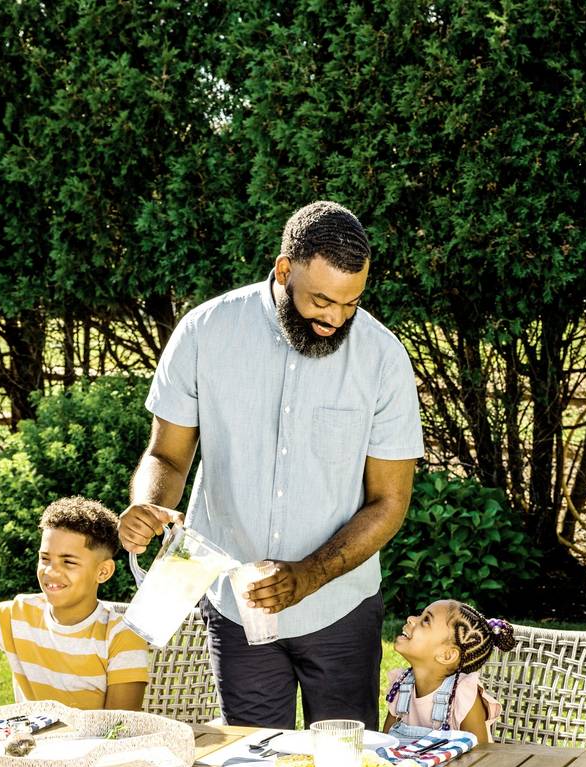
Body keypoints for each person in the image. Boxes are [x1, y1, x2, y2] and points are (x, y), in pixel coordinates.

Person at [121, 200, 423, 728]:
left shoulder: (383, 358)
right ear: (284, 270)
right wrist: (149, 507)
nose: (336, 318)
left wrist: (309, 575)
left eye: (351, 303)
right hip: (240, 611)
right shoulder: (204, 332)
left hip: (341, 608)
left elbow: (389, 501)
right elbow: (166, 455)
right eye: (322, 300)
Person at [0, 498, 152, 712]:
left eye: (68, 562)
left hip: (94, 758)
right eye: (45, 558)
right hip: (28, 754)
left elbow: (120, 726)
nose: (50, 571)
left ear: (103, 571)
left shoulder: (122, 635)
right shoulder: (19, 614)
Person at [385, 600, 515, 740]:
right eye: (420, 615)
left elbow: (480, 756)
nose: (410, 619)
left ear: (447, 655)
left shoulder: (462, 695)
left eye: (426, 620)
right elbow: (384, 745)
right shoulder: (401, 685)